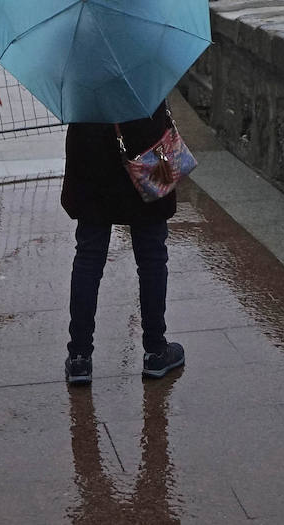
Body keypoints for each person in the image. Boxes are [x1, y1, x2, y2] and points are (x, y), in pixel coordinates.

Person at [61, 102, 185, 384]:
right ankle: (155, 350)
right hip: (144, 136)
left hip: (90, 140)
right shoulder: (144, 70)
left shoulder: (81, 70)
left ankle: (79, 357)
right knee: (152, 255)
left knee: (89, 255)